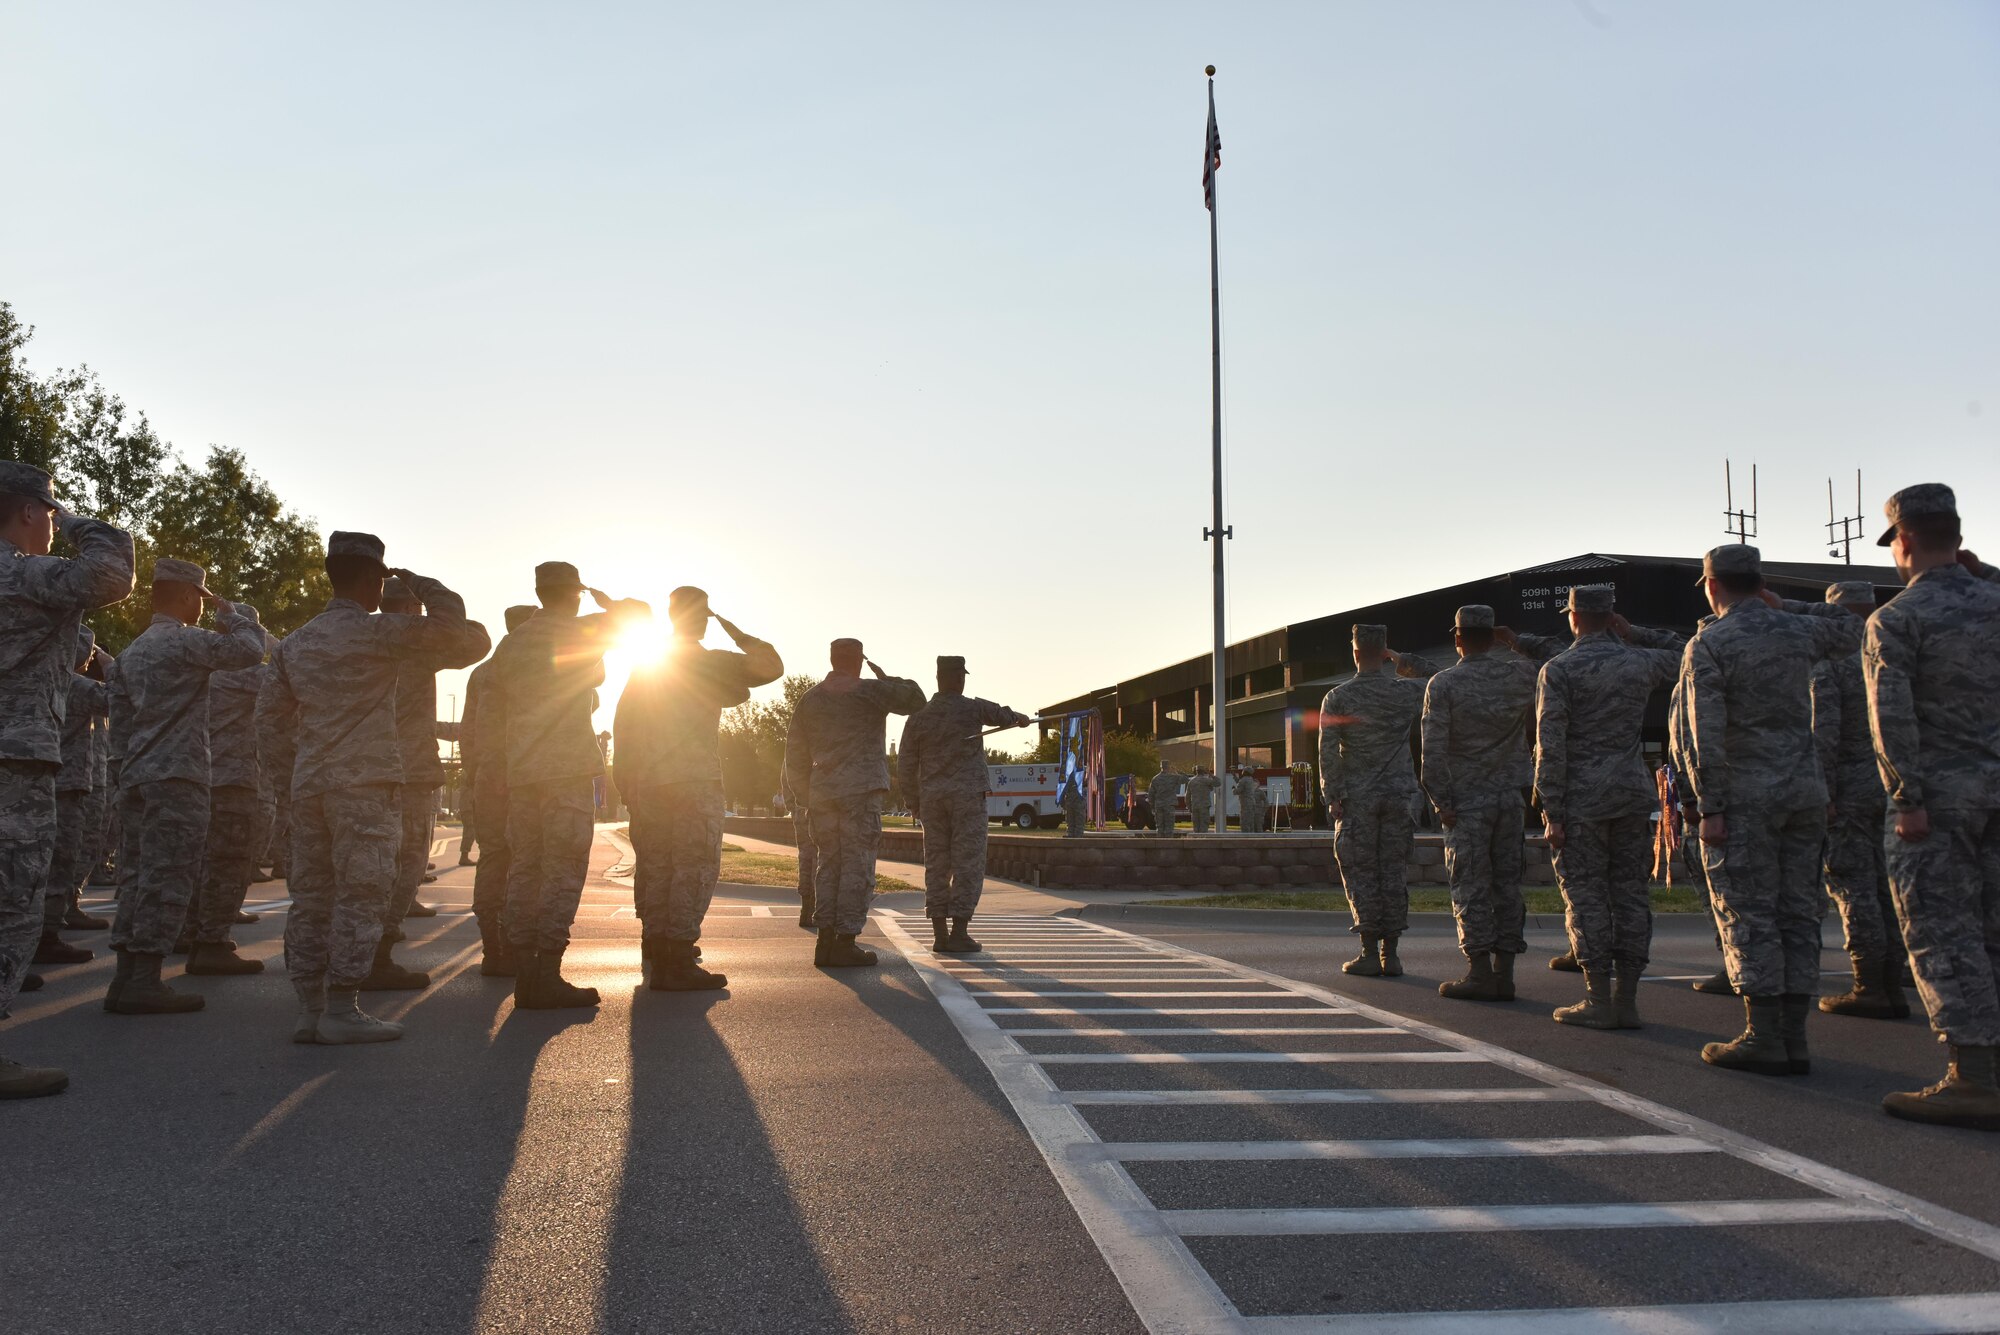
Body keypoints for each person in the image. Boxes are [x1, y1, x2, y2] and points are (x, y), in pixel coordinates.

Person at [258, 533, 488, 1043]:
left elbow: (269, 722)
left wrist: (289, 778)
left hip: (309, 786)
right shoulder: (379, 634)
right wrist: (420, 583)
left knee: (312, 899)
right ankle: (341, 1011)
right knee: (362, 895)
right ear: (371, 580)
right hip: (365, 785)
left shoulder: (296, 643)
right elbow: (456, 632)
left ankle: (308, 1009)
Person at [1681, 544, 1863, 1076]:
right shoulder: (1799, 631)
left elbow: (1703, 732)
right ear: (1759, 582)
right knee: (1798, 912)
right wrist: (1785, 607)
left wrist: (1708, 806)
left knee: (1749, 910)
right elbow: (1851, 626)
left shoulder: (1709, 643)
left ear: (1713, 586)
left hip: (1744, 797)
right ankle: (1793, 1038)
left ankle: (1764, 1036)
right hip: (1804, 791)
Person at [1865, 485, 2000, 1129]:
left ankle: (1973, 1077)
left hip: (1940, 802)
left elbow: (1891, 717)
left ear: (1907, 541)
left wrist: (1905, 797)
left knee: (1944, 933)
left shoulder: (1897, 618)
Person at [0, 461, 133, 1098]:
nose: (54, 524)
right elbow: (111, 571)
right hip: (14, 763)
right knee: (12, 904)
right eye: (48, 512)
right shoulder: (22, 573)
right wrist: (81, 518)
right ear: (27, 511)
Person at [103, 559, 266, 1014]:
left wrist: (122, 774)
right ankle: (145, 981)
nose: (202, 604)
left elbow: (119, 730)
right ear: (188, 596)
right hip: (178, 776)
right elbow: (250, 650)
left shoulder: (132, 653)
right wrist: (230, 613)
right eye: (201, 595)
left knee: (136, 878)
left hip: (136, 775)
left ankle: (124, 978)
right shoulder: (185, 641)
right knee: (168, 878)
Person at [492, 562, 646, 1008]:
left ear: (539, 592)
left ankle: (525, 969)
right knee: (561, 871)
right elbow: (640, 617)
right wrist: (607, 602)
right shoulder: (583, 630)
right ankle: (546, 974)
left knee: (525, 868)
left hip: (523, 772)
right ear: (575, 594)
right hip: (564, 771)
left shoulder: (512, 643)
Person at [1533, 586, 1686, 1029]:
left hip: (1582, 799)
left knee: (1587, 897)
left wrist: (1552, 811)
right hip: (1631, 793)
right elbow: (1687, 653)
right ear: (1611, 616)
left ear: (1574, 616)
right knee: (1631, 896)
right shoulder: (1639, 660)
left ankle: (1598, 997)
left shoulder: (1559, 670)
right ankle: (1628, 998)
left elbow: (1551, 745)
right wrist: (1634, 632)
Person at [614, 586, 781, 989]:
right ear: (703, 618)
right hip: (693, 782)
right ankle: (677, 958)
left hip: (650, 783)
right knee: (693, 867)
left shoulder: (648, 664)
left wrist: (627, 786)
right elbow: (771, 666)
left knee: (656, 866)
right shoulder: (710, 663)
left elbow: (624, 727)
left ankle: (656, 945)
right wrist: (733, 629)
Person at [1421, 606, 1544, 1001]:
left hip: (1466, 800)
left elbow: (1433, 752)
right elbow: (1560, 659)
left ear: (1457, 639)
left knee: (1470, 884)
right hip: (1511, 797)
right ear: (1492, 636)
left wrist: (1440, 801)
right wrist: (1516, 640)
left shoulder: (1444, 684)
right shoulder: (1521, 674)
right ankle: (1504, 972)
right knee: (1507, 884)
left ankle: (1478, 971)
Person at [369, 575, 485, 988]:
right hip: (410, 770)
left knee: (363, 863)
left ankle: (352, 949)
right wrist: (427, 589)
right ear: (409, 610)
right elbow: (476, 639)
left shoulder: (357, 639)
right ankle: (375, 955)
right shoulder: (416, 646)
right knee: (408, 860)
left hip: (361, 768)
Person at [783, 640, 924, 968]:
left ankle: (825, 940)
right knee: (857, 867)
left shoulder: (811, 698)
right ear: (859, 661)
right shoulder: (870, 691)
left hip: (822, 795)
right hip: (860, 793)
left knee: (828, 865)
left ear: (832, 659)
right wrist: (885, 678)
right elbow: (916, 699)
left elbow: (795, 753)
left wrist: (806, 795)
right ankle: (845, 941)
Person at [1809, 580, 1907, 1020]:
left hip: (1847, 791)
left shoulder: (1832, 665)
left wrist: (1823, 792)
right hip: (1890, 788)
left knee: (1852, 886)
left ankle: (1870, 984)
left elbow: (1823, 735)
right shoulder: (1892, 653)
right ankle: (1891, 979)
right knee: (1887, 887)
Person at [1318, 624, 1439, 977]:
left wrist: (1333, 795)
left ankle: (1369, 951)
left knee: (1361, 872)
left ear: (1355, 653)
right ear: (1384, 652)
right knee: (1393, 871)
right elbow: (1441, 678)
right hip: (1400, 795)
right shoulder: (1406, 693)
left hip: (1358, 797)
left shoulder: (1338, 697)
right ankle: (1392, 953)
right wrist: (1403, 660)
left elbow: (1328, 752)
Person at [899, 655, 1029, 953]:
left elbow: (906, 763)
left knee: (937, 864)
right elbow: (1003, 715)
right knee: (967, 863)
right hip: (968, 799)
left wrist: (912, 801)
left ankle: (939, 934)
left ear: (937, 678)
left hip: (932, 799)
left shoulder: (919, 715)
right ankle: (959, 931)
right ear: (959, 678)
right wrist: (1018, 717)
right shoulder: (972, 708)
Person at [184, 631, 277, 976]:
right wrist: (269, 641)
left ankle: (192, 932)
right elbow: (294, 665)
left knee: (200, 862)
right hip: (231, 778)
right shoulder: (243, 674)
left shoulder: (198, 666)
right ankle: (212, 943)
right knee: (229, 863)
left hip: (197, 773)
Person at [460, 604, 537, 975]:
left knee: (493, 858)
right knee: (526, 860)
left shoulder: (482, 673)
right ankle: (515, 944)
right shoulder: (530, 670)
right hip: (522, 777)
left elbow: (467, 731)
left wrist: (475, 774)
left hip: (488, 777)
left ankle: (493, 944)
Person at [34, 628, 107, 967]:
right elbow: (124, 697)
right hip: (68, 787)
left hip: (38, 781)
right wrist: (110, 664)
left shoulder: (38, 676)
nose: (92, 657)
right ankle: (45, 938)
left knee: (33, 864)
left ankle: (34, 934)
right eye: (89, 651)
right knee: (61, 862)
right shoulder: (79, 686)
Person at [781, 761, 814, 929]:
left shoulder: (796, 745)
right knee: (820, 862)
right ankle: (813, 911)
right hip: (816, 809)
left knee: (806, 859)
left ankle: (806, 910)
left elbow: (786, 777)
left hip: (801, 810)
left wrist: (792, 807)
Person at [1147, 761, 1183, 836]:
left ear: (1161, 767)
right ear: (1169, 767)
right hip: (1169, 805)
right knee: (1169, 826)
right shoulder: (1174, 777)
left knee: (1159, 826)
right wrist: (1176, 771)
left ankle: (1159, 843)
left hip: (1159, 805)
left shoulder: (1155, 778)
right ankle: (1169, 844)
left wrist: (1152, 806)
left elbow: (1151, 794)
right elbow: (1185, 779)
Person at [1185, 766, 1217, 834]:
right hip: (1204, 807)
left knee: (1196, 827)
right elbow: (1218, 783)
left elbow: (1187, 796)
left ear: (1196, 771)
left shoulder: (1191, 781)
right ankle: (1203, 842)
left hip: (1195, 806)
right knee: (1204, 827)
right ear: (1203, 771)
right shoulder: (1206, 780)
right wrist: (1211, 774)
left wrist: (1189, 807)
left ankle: (1196, 842)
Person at [1235, 770, 1264, 834]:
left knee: (1244, 822)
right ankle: (1251, 836)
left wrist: (1233, 789)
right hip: (1252, 803)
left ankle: (1246, 839)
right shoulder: (1250, 780)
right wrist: (1235, 777)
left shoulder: (1243, 780)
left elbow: (1237, 791)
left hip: (1245, 804)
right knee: (1251, 822)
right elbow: (1243, 785)